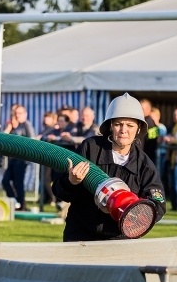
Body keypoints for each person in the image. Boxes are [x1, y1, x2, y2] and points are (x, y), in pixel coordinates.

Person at [52, 93, 165, 241]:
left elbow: (158, 205)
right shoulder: (90, 148)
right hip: (81, 235)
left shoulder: (144, 165)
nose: (123, 130)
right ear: (111, 126)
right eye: (118, 124)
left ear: (138, 129)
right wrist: (72, 181)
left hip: (120, 240)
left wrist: (135, 209)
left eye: (130, 125)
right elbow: (60, 191)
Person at [2, 104, 36, 210]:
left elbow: (32, 140)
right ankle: (15, 201)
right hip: (13, 159)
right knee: (5, 181)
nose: (17, 116)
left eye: (20, 113)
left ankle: (21, 204)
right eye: (16, 113)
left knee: (18, 183)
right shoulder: (14, 126)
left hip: (22, 159)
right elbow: (3, 137)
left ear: (25, 114)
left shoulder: (26, 125)